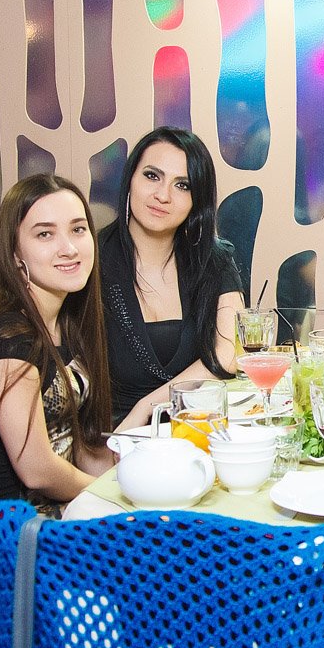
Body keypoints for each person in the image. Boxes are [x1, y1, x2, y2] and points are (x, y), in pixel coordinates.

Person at [0, 174, 113, 531]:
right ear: (15, 254)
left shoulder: (67, 323)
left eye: (78, 229)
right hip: (14, 532)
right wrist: (111, 496)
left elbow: (78, 445)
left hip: (65, 512)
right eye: (45, 234)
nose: (69, 248)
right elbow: (37, 470)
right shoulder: (9, 337)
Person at [99, 127, 245, 429]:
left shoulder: (214, 260)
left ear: (197, 201)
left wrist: (147, 407)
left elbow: (230, 353)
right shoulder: (91, 258)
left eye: (182, 185)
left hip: (194, 431)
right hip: (109, 436)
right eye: (152, 176)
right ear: (130, 179)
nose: (163, 195)